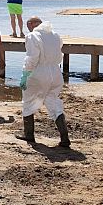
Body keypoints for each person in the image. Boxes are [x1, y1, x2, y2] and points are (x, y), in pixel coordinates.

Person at [16, 17, 70, 146]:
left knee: (28, 102)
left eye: (28, 25)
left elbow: (32, 58)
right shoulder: (55, 36)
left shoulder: (32, 36)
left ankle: (29, 135)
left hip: (38, 72)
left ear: (31, 24)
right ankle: (64, 137)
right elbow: (59, 54)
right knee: (53, 102)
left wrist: (25, 74)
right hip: (56, 72)